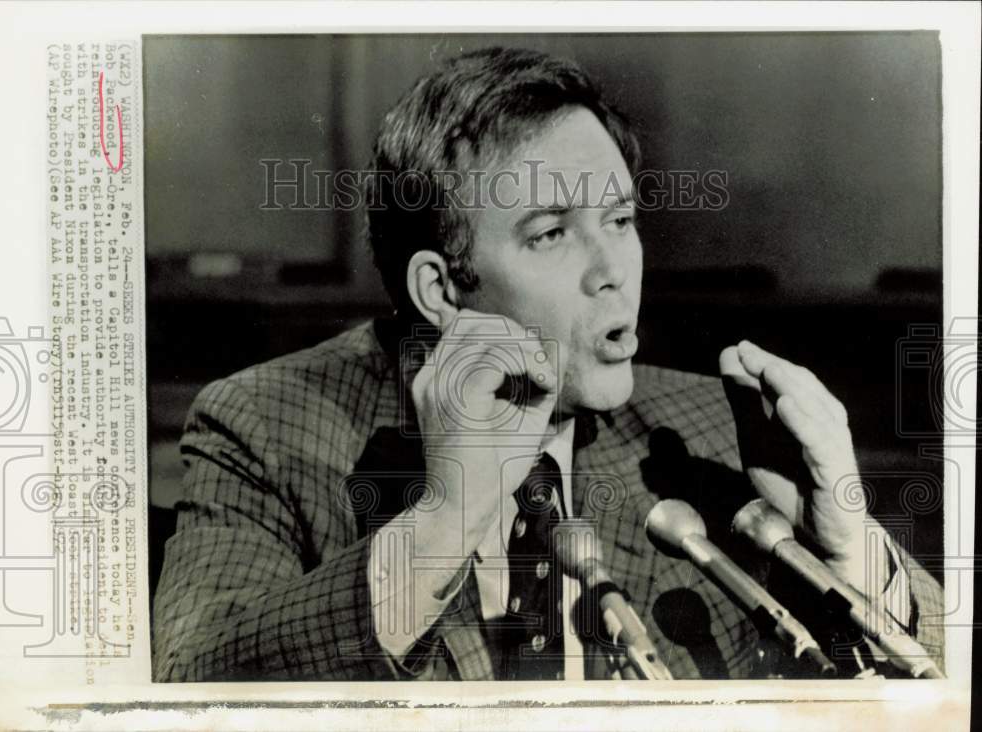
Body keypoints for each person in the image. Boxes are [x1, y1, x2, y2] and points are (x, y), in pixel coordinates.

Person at [152, 46, 944, 682]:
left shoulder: (708, 434)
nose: (614, 269)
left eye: (621, 219)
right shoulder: (263, 422)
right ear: (443, 289)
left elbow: (947, 668)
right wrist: (444, 521)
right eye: (551, 233)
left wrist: (845, 549)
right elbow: (187, 676)